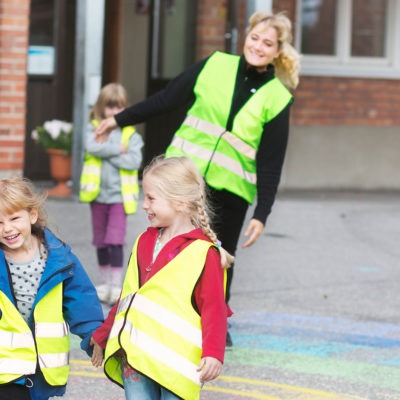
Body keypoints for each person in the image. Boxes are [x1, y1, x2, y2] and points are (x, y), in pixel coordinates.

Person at [94, 11, 300, 343]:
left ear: (278, 51)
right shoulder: (215, 64)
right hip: (183, 180)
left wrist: (263, 213)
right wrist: (120, 120)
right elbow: (166, 99)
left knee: (219, 257)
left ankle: (216, 325)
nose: (258, 47)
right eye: (254, 38)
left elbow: (271, 160)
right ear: (245, 37)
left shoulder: (278, 98)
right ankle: (152, 308)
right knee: (165, 245)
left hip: (232, 189)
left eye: (268, 43)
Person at [90, 156, 233, 400]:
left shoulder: (203, 253)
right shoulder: (143, 242)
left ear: (180, 202)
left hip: (176, 361)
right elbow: (129, 297)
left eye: (151, 198)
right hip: (136, 355)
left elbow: (214, 309)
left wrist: (213, 353)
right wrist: (103, 334)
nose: (144, 205)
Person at [0, 176, 104, 400]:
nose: (7, 228)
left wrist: (95, 333)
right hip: (4, 367)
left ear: (32, 215)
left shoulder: (57, 258)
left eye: (14, 218)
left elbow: (80, 299)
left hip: (41, 366)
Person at [80, 83, 144, 305]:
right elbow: (91, 148)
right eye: (110, 108)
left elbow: (134, 161)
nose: (114, 113)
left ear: (125, 108)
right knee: (100, 241)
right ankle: (105, 283)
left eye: (119, 108)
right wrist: (117, 151)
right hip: (97, 196)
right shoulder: (94, 129)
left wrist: (105, 151)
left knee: (115, 241)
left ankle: (116, 285)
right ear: (101, 108)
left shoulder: (130, 134)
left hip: (119, 198)